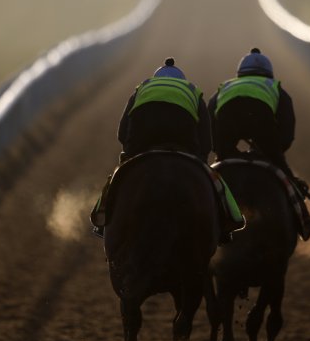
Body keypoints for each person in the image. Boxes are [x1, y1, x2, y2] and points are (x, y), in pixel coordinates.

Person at [91, 57, 242, 241]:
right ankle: (230, 220)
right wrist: (201, 162)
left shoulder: (142, 89)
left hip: (141, 144)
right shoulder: (192, 91)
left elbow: (122, 133)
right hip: (185, 146)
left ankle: (102, 214)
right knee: (214, 180)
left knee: (116, 177)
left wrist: (130, 154)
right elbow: (205, 138)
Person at [208, 48, 310, 240]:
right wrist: (271, 152)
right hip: (262, 122)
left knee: (213, 177)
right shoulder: (275, 87)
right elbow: (286, 132)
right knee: (285, 174)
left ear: (240, 74)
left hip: (227, 122)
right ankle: (304, 220)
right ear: (269, 73)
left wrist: (222, 150)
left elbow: (209, 126)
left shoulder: (224, 87)